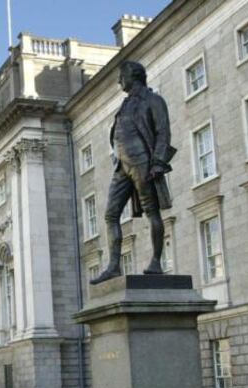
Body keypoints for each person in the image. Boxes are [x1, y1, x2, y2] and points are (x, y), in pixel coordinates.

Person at [90, 60, 176, 284]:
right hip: (122, 165)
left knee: (151, 211)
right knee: (111, 215)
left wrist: (158, 162)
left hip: (142, 162)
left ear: (134, 76)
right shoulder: (126, 104)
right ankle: (113, 266)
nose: (119, 81)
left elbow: (163, 132)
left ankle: (156, 262)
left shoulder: (153, 100)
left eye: (122, 76)